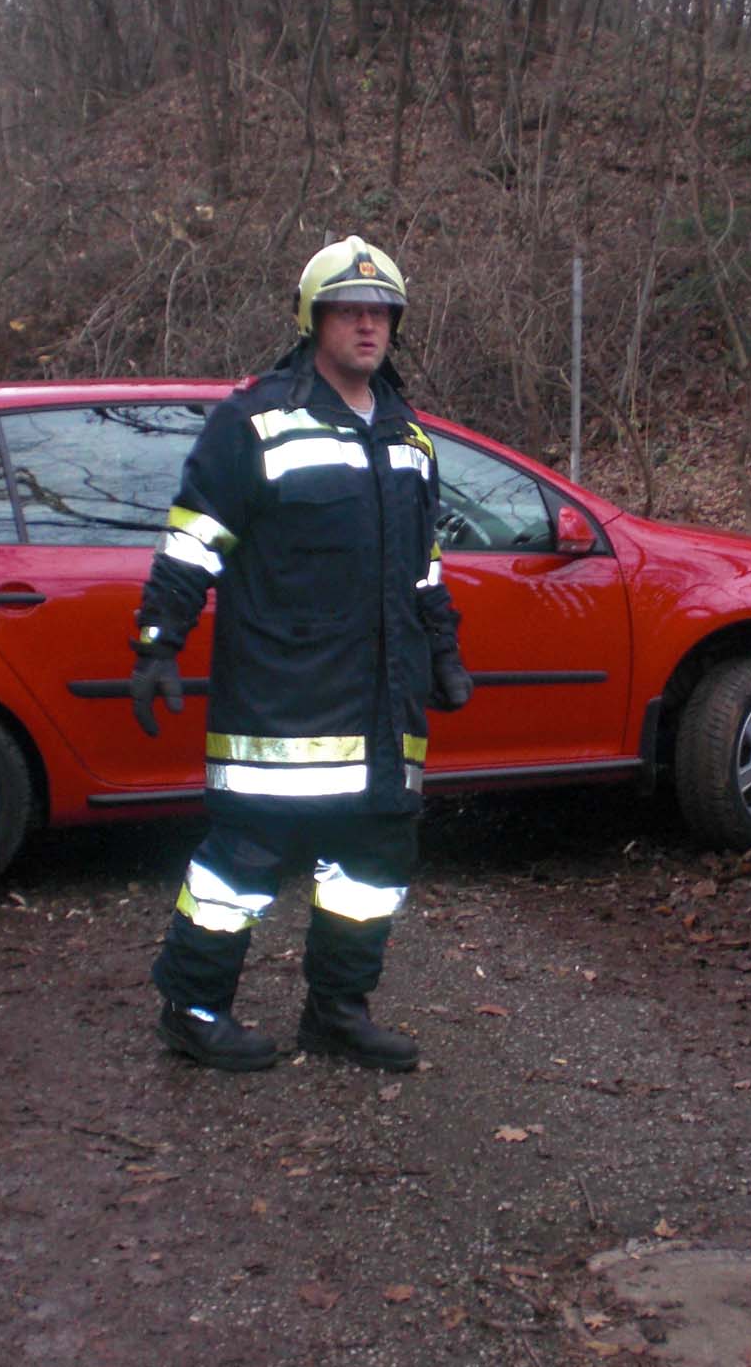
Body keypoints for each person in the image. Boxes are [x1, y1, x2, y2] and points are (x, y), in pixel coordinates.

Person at [128, 234, 473, 1074]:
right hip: (281, 696)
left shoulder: (408, 435)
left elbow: (422, 562)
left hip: (385, 705)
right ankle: (193, 1009)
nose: (368, 325)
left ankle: (338, 1011)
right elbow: (194, 539)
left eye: (381, 311)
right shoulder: (254, 420)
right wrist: (157, 641)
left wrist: (445, 648)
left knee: (373, 866)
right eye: (349, 310)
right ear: (313, 319)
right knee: (240, 866)